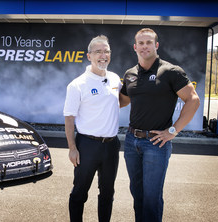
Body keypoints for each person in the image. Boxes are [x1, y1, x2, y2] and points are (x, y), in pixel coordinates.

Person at [119, 28, 200, 222]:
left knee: (151, 198)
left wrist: (173, 131)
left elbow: (193, 100)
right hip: (131, 142)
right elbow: (121, 101)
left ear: (156, 45)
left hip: (156, 143)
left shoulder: (171, 71)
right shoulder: (130, 74)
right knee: (137, 193)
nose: (144, 46)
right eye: (141, 43)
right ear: (135, 47)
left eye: (148, 42)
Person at [63, 35, 122, 222]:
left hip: (111, 146)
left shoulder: (114, 79)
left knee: (107, 193)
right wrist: (72, 148)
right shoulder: (77, 84)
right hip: (86, 145)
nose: (103, 55)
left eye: (106, 51)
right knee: (79, 192)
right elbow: (69, 118)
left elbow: (119, 102)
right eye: (98, 52)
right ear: (89, 56)